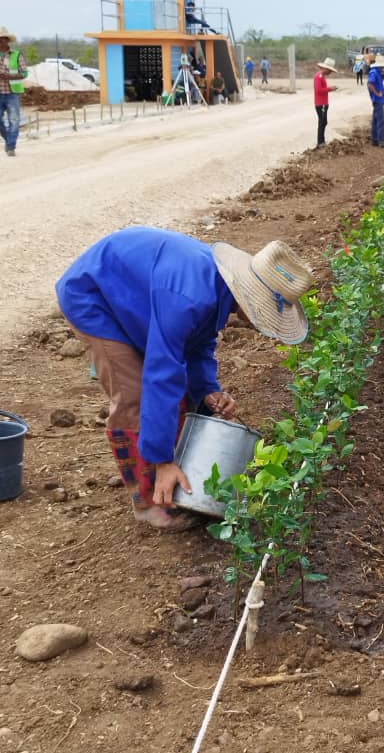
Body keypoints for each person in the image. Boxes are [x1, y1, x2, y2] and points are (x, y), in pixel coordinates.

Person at [56, 228, 313, 531]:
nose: (260, 325)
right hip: (94, 296)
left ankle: (172, 474)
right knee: (134, 394)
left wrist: (207, 389)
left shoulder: (215, 289)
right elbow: (161, 372)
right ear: (249, 295)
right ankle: (147, 501)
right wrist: (163, 461)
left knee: (178, 394)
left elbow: (197, 343)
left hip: (135, 297)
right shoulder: (188, 297)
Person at [0, 26, 27, 157]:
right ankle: (8, 140)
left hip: (12, 93)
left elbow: (24, 73)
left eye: (1, 39)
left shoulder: (16, 55)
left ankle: (11, 147)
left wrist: (10, 76)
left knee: (14, 120)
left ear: (7, 40)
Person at [313, 56, 338, 148]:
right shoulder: (318, 77)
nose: (330, 72)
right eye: (330, 70)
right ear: (326, 69)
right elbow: (318, 90)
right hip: (321, 103)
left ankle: (321, 141)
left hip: (323, 103)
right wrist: (330, 89)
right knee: (322, 122)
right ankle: (320, 142)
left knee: (324, 121)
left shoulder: (321, 76)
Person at [366, 52, 384, 147]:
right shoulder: (374, 72)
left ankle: (375, 140)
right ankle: (381, 140)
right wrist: (377, 93)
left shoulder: (376, 72)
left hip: (378, 100)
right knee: (380, 120)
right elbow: (370, 84)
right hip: (377, 100)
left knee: (375, 120)